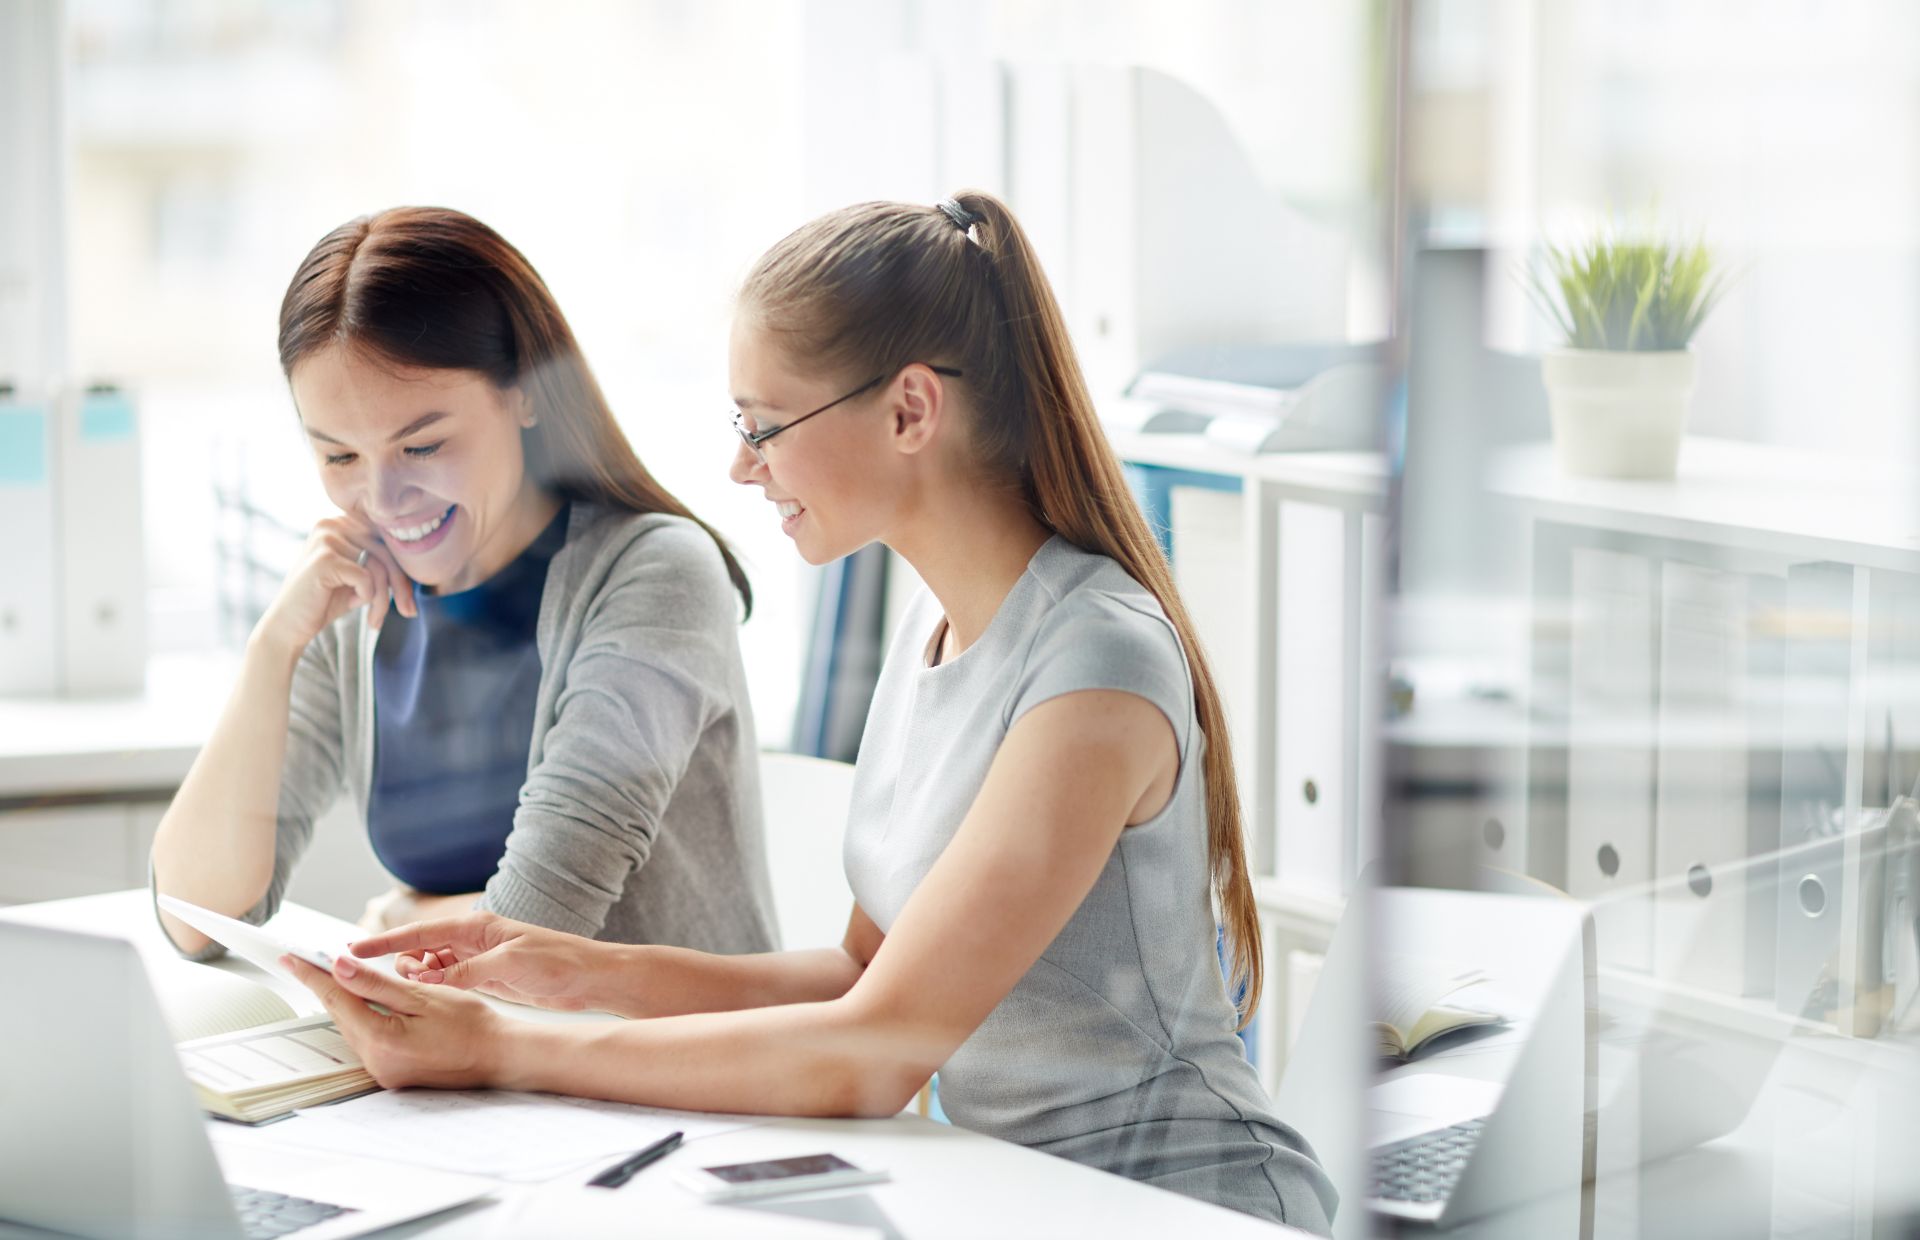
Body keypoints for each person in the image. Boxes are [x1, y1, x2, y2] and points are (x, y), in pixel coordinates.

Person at [285, 192, 1337, 1231]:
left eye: (764, 425)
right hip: (1014, 1198)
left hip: (1178, 1207)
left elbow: (877, 1051)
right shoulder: (933, 630)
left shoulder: (1094, 663)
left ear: (911, 409)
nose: (742, 465)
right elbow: (858, 975)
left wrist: (502, 1045)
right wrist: (577, 971)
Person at [153, 206, 777, 962]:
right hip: (472, 1070)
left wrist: (400, 917)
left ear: (526, 390)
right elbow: (197, 915)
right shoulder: (357, 597)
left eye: (422, 444)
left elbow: (537, 930)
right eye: (340, 457)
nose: (383, 499)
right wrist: (272, 646)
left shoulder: (656, 574)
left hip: (662, 1069)